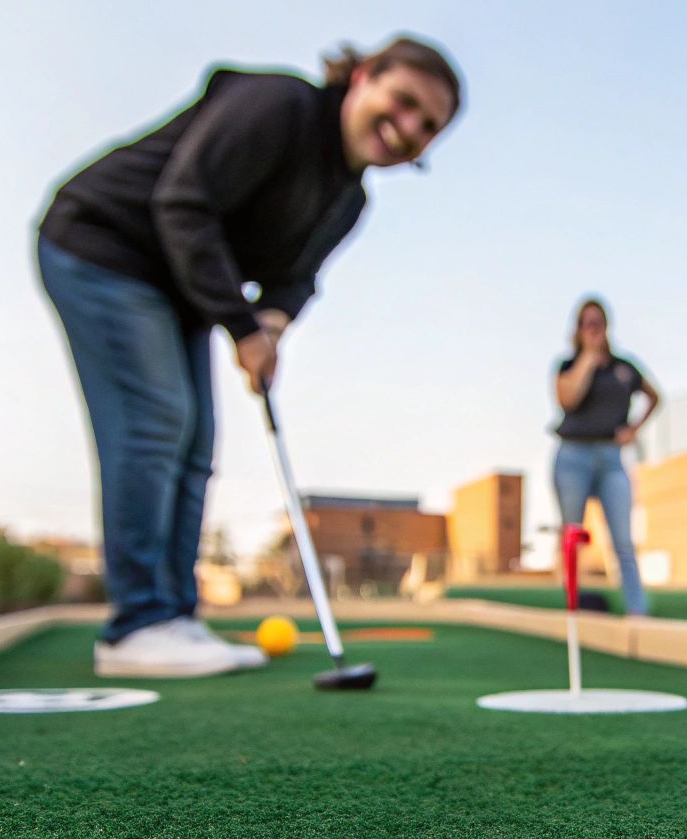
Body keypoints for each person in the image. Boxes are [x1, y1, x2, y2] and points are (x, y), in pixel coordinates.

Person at [36, 38, 463, 677]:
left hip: (179, 290)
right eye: (403, 103)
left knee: (195, 446)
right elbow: (182, 202)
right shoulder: (279, 105)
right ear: (364, 77)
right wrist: (243, 328)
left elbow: (297, 278)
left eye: (426, 127)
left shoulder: (350, 200)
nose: (407, 130)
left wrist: (274, 323)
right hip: (103, 249)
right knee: (156, 423)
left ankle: (175, 618)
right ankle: (136, 626)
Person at [553, 298, 659, 616]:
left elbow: (655, 397)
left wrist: (634, 428)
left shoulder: (624, 369)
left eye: (598, 322)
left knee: (624, 539)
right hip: (573, 456)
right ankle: (573, 604)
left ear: (607, 326)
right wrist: (588, 357)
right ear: (578, 328)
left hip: (612, 457)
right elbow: (567, 400)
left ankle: (636, 610)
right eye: (587, 323)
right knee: (573, 534)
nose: (593, 329)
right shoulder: (568, 366)